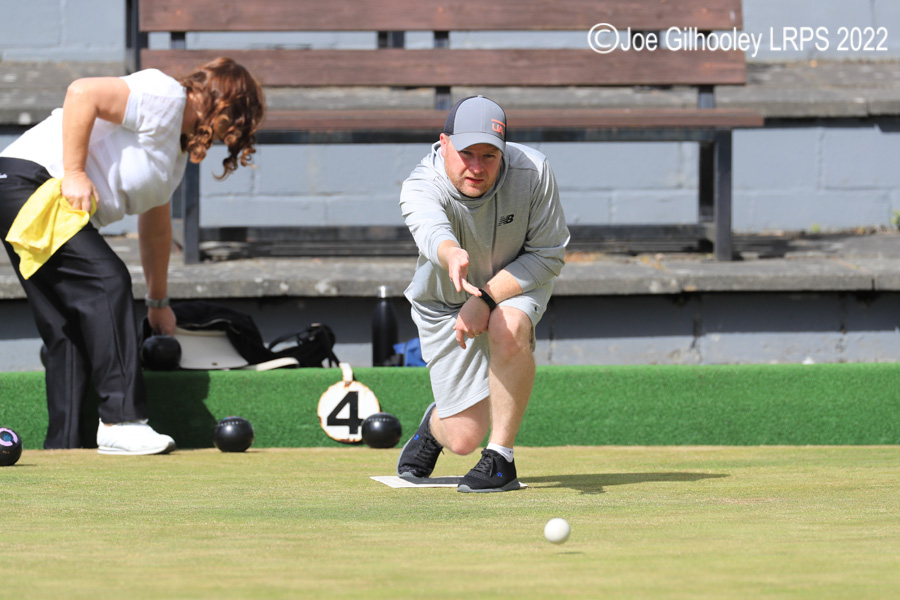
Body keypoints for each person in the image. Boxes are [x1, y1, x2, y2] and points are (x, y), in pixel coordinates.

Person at [0, 57, 265, 454]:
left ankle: (64, 448)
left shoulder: (173, 157)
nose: (227, 138)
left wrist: (158, 303)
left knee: (68, 329)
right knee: (107, 282)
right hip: (32, 182)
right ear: (222, 102)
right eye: (233, 124)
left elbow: (156, 229)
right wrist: (75, 172)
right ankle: (121, 420)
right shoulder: (166, 95)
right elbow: (82, 93)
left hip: (25, 193)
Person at [397, 96, 569, 492]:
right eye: (467, 154)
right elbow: (430, 229)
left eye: (489, 156)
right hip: (444, 300)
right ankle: (434, 426)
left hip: (516, 281)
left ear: (503, 151)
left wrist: (485, 299)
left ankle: (500, 458)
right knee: (463, 438)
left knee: (508, 325)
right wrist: (451, 252)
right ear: (444, 144)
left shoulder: (534, 171)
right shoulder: (421, 185)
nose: (477, 167)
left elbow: (548, 254)